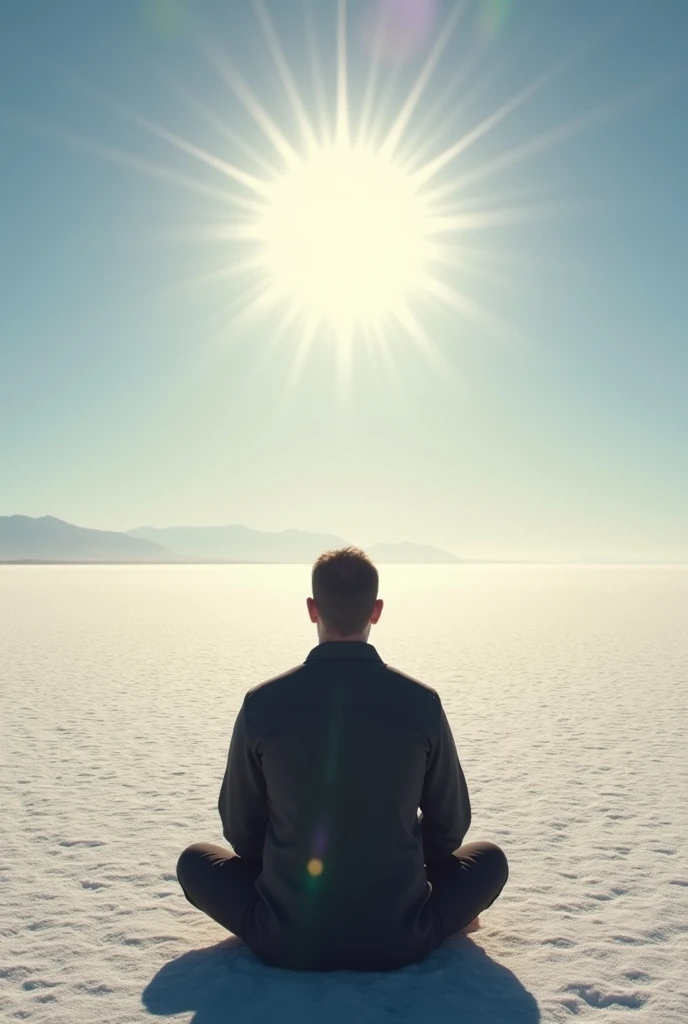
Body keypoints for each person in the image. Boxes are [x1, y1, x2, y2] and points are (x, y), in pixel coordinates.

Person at [176, 547, 508, 971]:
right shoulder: (421, 702)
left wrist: (290, 868)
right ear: (377, 611)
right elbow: (450, 825)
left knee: (195, 863)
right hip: (401, 934)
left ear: (312, 610)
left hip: (285, 936)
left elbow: (240, 828)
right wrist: (388, 859)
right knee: (489, 861)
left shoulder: (262, 704)